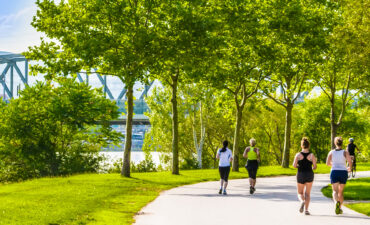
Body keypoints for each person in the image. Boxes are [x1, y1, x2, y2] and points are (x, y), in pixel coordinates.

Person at [326, 136, 352, 215]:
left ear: (335, 143)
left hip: (334, 172)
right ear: (342, 143)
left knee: (335, 191)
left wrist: (333, 164)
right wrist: (349, 168)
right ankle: (339, 208)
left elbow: (327, 163)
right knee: (341, 192)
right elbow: (350, 161)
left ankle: (336, 203)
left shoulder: (331, 152)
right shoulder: (345, 152)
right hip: (343, 172)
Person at [293, 137, 317, 215]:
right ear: (308, 146)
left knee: (300, 193)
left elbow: (294, 165)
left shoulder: (298, 155)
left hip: (301, 174)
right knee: (307, 193)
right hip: (309, 174)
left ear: (301, 145)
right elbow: (315, 166)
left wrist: (298, 166)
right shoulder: (312, 155)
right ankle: (306, 210)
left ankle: (302, 201)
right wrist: (312, 167)